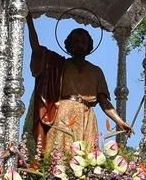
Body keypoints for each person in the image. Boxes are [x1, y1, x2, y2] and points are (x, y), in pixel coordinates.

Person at [25, 13, 133, 158]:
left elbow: (104, 102)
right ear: (69, 45)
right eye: (75, 41)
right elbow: (37, 49)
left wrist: (120, 122)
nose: (79, 45)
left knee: (86, 158)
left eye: (83, 42)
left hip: (86, 117)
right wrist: (29, 20)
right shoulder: (59, 64)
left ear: (89, 46)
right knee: (60, 156)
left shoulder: (96, 71)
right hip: (63, 113)